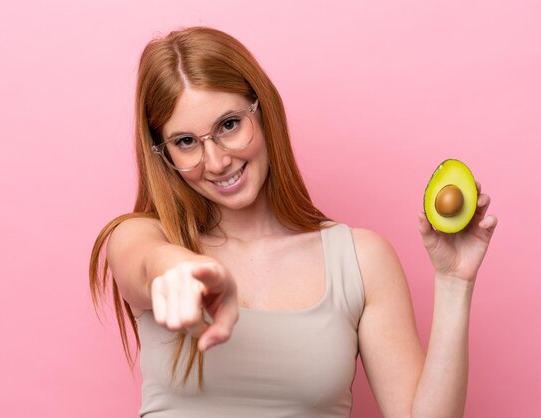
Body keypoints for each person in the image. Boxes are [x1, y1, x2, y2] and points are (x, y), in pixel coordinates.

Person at [89, 26, 497, 418]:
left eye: (229, 125)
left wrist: (454, 283)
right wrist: (177, 269)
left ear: (263, 112)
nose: (215, 162)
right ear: (165, 153)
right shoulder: (141, 236)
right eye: (186, 142)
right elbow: (149, 262)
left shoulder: (360, 259)